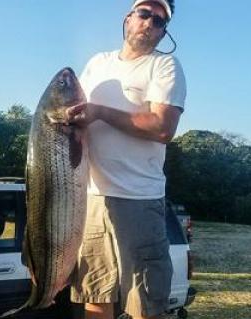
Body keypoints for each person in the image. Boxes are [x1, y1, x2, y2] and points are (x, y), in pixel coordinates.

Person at [66, 1, 186, 318]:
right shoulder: (97, 64)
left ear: (163, 33)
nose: (150, 23)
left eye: (160, 22)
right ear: (129, 18)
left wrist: (100, 112)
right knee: (96, 293)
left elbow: (163, 127)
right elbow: (71, 112)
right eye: (145, 14)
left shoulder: (164, 66)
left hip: (139, 198)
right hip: (91, 197)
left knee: (145, 300)